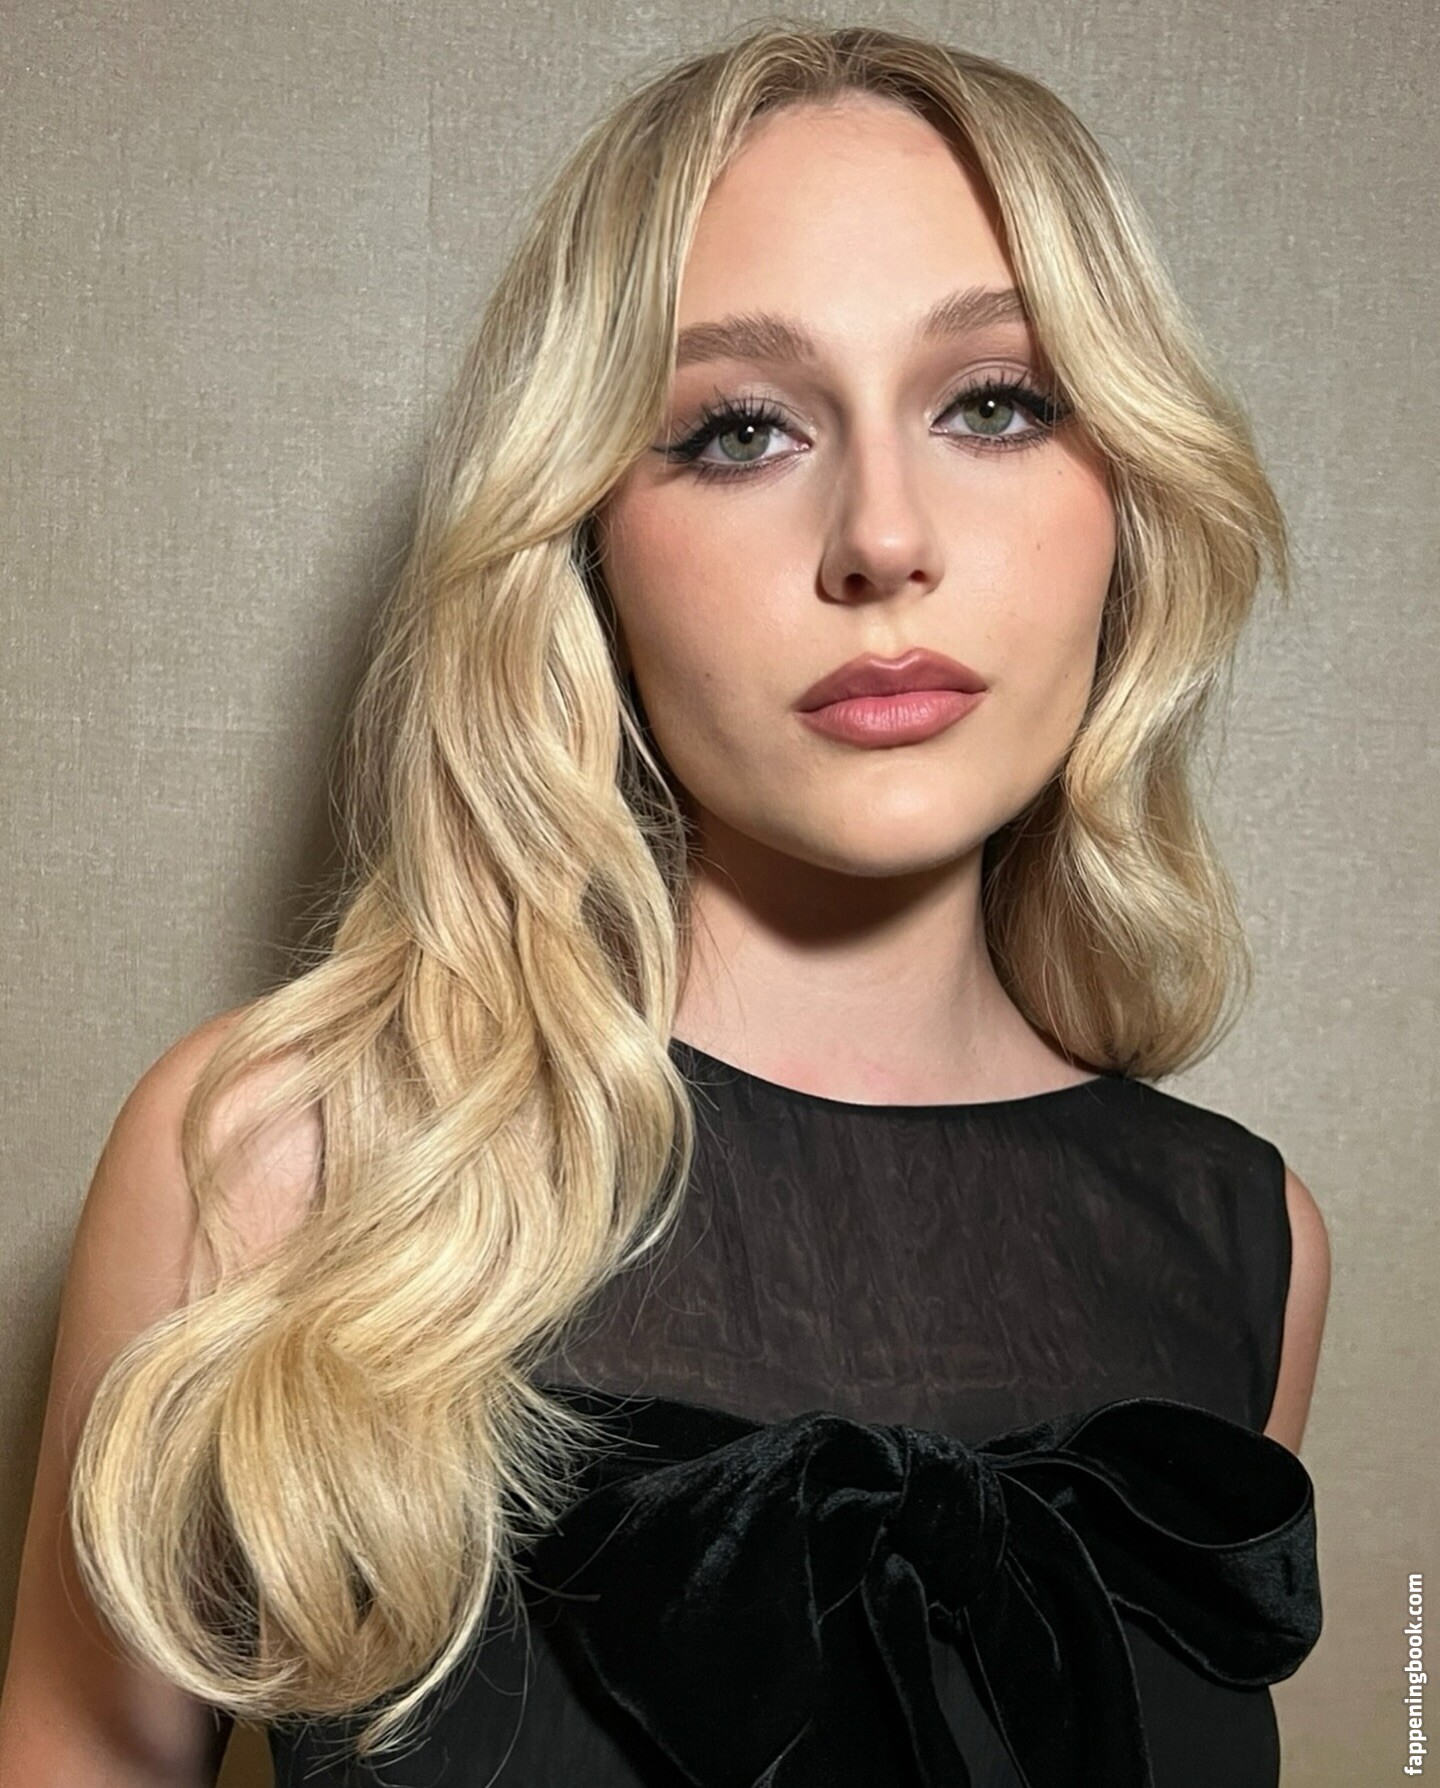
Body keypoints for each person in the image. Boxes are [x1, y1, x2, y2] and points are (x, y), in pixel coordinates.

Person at [0, 22, 1329, 1788]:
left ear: (1133, 497)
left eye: (996, 404)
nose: (882, 537)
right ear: (586, 547)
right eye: (741, 428)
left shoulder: (1247, 1243)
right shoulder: (277, 1161)